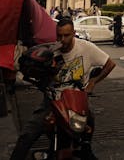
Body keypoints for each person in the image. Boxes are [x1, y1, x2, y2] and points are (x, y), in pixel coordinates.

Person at [10, 17, 115, 160]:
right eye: (59, 35)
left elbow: (110, 64)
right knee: (28, 134)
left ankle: (86, 147)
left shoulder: (86, 47)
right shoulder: (50, 52)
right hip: (53, 100)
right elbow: (35, 71)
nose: (63, 39)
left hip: (76, 98)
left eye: (67, 35)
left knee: (89, 119)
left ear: (74, 33)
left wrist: (93, 82)